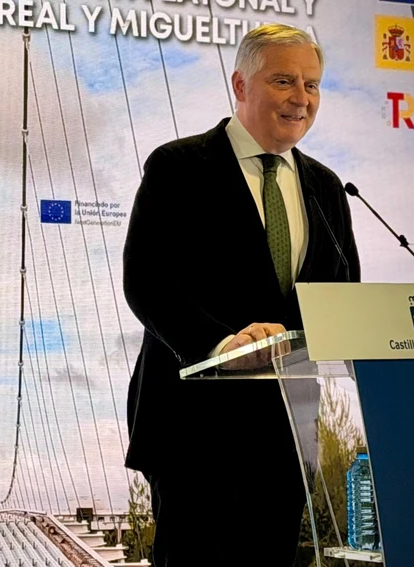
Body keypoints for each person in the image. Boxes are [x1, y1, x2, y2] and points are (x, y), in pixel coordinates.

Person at [122, 23, 361, 567]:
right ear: (240, 84)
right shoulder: (178, 166)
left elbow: (343, 294)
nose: (301, 98)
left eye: (312, 85)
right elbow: (147, 281)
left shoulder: (327, 187)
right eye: (284, 81)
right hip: (193, 428)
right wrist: (222, 344)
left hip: (286, 431)